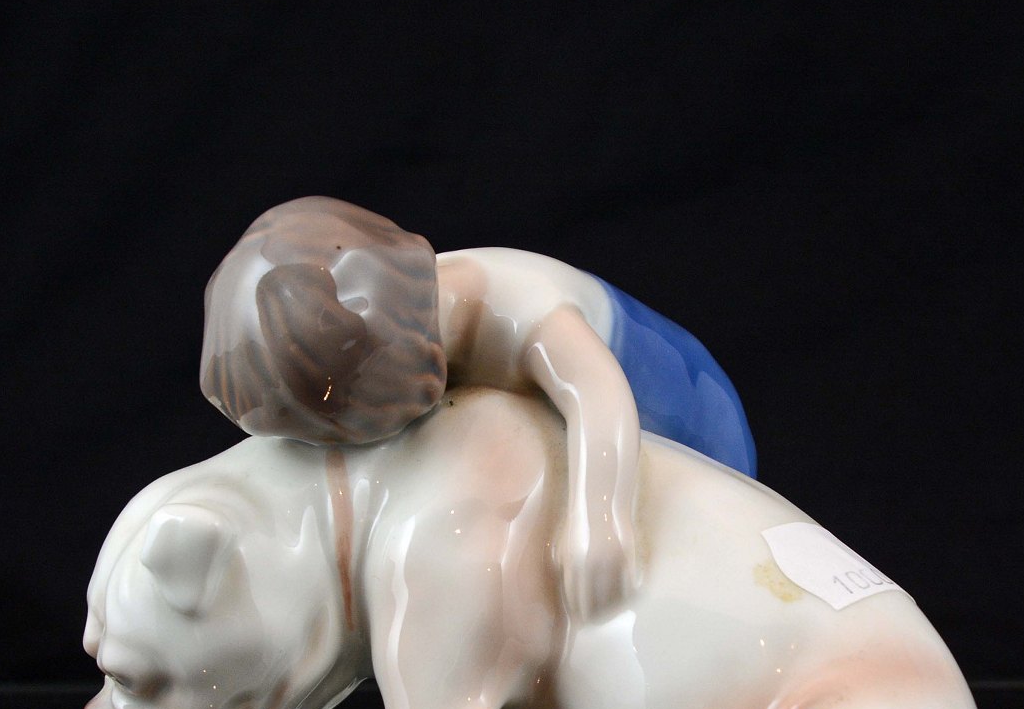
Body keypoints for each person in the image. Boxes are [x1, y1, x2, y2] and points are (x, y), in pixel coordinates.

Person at [200, 197, 755, 619]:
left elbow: (599, 396)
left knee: (649, 572)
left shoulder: (521, 311)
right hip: (574, 444)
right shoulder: (412, 306)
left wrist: (599, 518)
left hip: (688, 426)